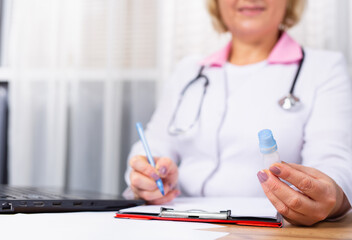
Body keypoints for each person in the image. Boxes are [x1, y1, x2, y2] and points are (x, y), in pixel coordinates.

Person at [124, 0, 352, 226]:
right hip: (177, 222)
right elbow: (153, 145)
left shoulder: (323, 68)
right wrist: (147, 175)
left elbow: (333, 163)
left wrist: (331, 196)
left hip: (264, 228)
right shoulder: (190, 71)